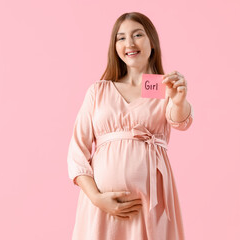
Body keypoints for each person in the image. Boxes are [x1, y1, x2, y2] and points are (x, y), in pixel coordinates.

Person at [67, 11, 194, 240]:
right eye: (121, 37)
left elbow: (180, 121)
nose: (129, 43)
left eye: (138, 35)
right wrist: (96, 198)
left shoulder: (160, 88)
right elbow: (77, 153)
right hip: (102, 208)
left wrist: (179, 101)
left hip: (150, 206)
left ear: (152, 42)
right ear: (114, 46)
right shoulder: (99, 90)